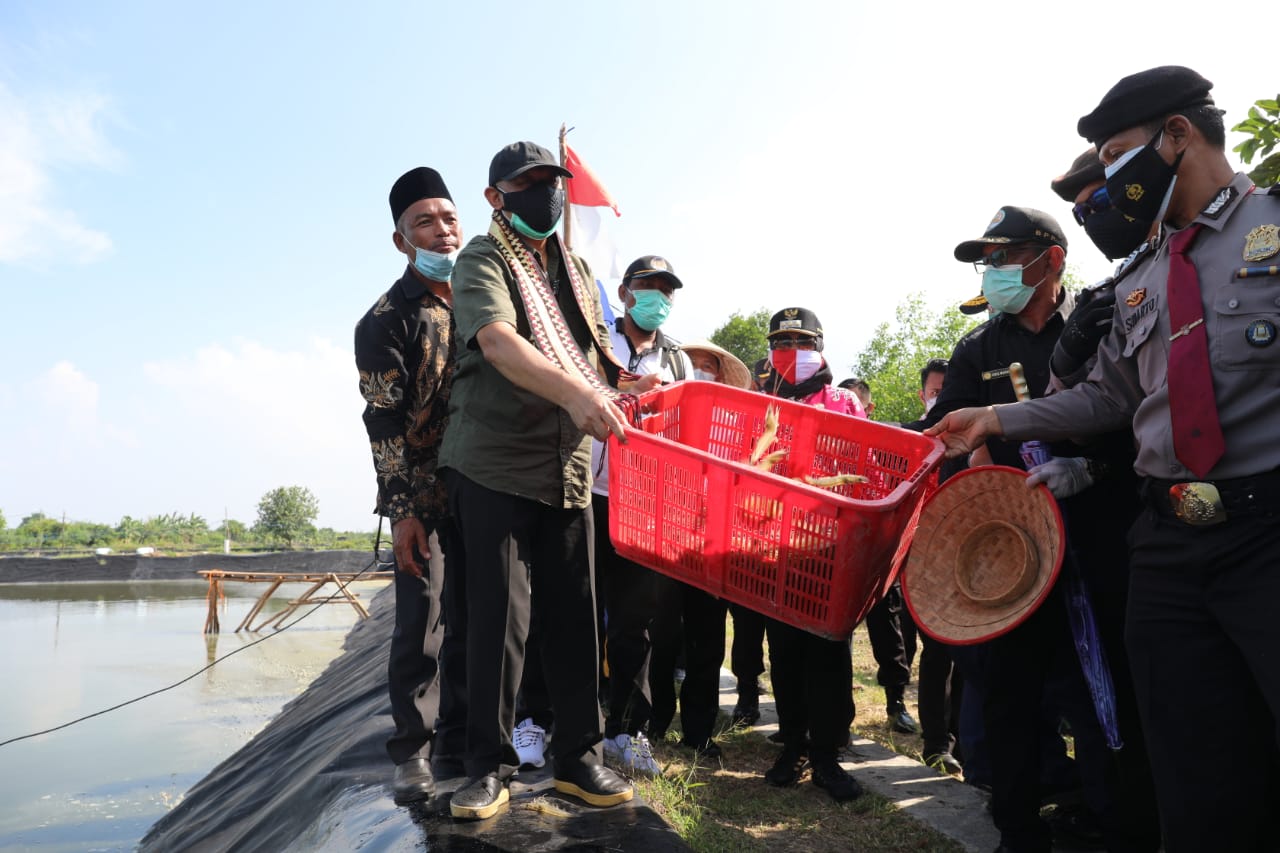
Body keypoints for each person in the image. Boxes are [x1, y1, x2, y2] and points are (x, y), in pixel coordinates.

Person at [929, 66, 1280, 852]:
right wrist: (994, 414)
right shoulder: (1137, 282)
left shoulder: (1274, 226)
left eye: (1117, 156)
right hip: (1166, 550)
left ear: (1178, 135)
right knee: (1194, 771)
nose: (1105, 183)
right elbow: (1106, 399)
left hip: (1268, 533)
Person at [438, 140, 634, 820]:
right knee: (497, 617)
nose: (544, 192)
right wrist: (576, 396)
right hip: (494, 460)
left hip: (565, 466)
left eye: (551, 180)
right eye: (527, 183)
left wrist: (620, 385)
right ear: (496, 197)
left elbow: (591, 358)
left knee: (575, 613)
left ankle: (580, 757)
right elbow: (497, 341)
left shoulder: (576, 270)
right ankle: (485, 768)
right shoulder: (483, 259)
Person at [354, 166, 464, 804]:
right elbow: (383, 423)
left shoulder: (484, 299)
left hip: (487, 482)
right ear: (401, 240)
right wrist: (401, 513)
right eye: (424, 221)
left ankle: (467, 737)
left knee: (482, 618)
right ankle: (413, 750)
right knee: (421, 622)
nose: (441, 231)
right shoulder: (385, 320)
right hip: (423, 493)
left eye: (448, 218)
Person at [591, 255, 693, 776]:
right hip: (591, 493)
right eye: (647, 286)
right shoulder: (596, 338)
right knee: (575, 615)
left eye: (666, 289)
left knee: (635, 622)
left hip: (644, 503)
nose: (657, 297)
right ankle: (567, 723)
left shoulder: (679, 362)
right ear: (626, 292)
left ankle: (627, 730)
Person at [758, 307, 864, 803]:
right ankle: (793, 744)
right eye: (782, 342)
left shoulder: (843, 400)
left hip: (826, 544)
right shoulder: (760, 403)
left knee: (827, 649)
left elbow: (862, 460)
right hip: (773, 543)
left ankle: (826, 752)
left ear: (820, 346)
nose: (792, 351)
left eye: (802, 341)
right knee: (784, 650)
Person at [836, 377, 922, 736]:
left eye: (857, 405)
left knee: (889, 630)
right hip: (837, 552)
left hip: (879, 553)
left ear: (868, 409)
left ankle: (895, 701)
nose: (851, 411)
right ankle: (838, 712)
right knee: (836, 636)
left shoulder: (892, 444)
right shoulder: (830, 445)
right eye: (846, 406)